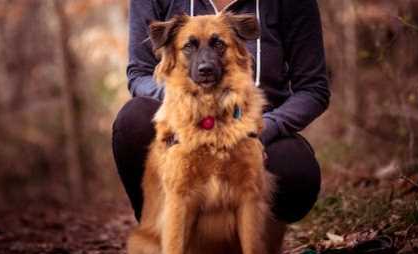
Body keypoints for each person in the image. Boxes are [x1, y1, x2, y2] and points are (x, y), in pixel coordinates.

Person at [112, 0, 330, 223]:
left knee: (295, 170)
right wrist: (183, 106)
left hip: (257, 127)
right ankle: (161, 238)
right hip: (182, 120)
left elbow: (313, 90)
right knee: (133, 121)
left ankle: (251, 247)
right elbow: (140, 73)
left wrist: (263, 128)